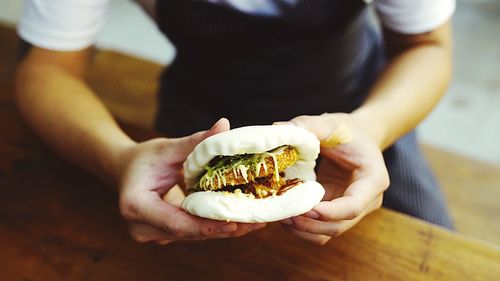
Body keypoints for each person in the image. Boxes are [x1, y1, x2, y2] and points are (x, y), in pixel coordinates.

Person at [14, 0, 455, 245]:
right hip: (196, 131)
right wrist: (118, 157)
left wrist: (372, 128)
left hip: (362, 120)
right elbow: (45, 69)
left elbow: (427, 45)